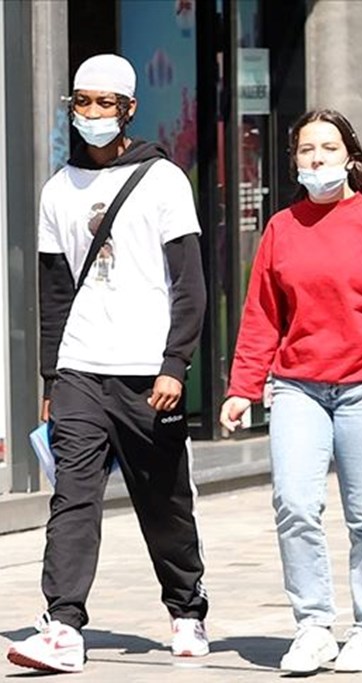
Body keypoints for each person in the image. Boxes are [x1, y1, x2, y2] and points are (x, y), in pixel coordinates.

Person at [7, 54, 209, 674]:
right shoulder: (56, 189)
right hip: (79, 370)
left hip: (148, 372)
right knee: (72, 497)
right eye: (81, 102)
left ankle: (186, 608)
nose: (90, 114)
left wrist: (176, 364)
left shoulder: (163, 180)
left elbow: (191, 285)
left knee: (164, 501)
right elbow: (54, 292)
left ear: (127, 109)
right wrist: (49, 375)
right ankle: (63, 624)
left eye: (103, 103)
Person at [220, 109, 362, 673]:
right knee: (294, 503)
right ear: (294, 161)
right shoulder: (282, 228)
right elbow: (261, 313)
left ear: (349, 157)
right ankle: (312, 625)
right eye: (306, 150)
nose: (316, 159)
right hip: (297, 387)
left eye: (328, 148)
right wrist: (243, 385)